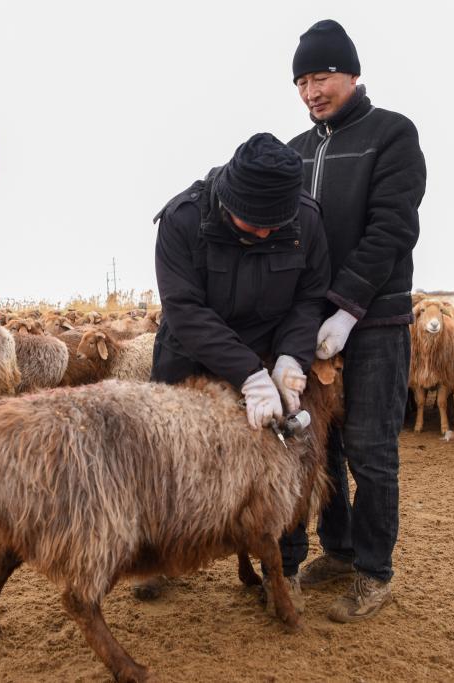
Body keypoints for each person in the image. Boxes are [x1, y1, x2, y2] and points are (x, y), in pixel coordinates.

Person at [141, 132, 330, 603]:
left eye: (274, 225)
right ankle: (158, 555)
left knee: (283, 462)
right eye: (253, 223)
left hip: (272, 351)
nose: (265, 233)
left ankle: (280, 570)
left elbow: (309, 296)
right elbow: (184, 309)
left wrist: (290, 357)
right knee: (171, 462)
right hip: (191, 355)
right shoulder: (183, 219)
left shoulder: (305, 219)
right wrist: (247, 373)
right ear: (227, 200)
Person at [283, 19, 426, 623]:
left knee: (370, 448)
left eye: (322, 77)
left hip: (375, 322)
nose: (312, 90)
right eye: (302, 81)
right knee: (324, 447)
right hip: (311, 328)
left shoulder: (390, 134)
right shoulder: (294, 150)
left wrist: (347, 307)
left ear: (352, 74)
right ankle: (338, 550)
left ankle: (374, 570)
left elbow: (392, 227)